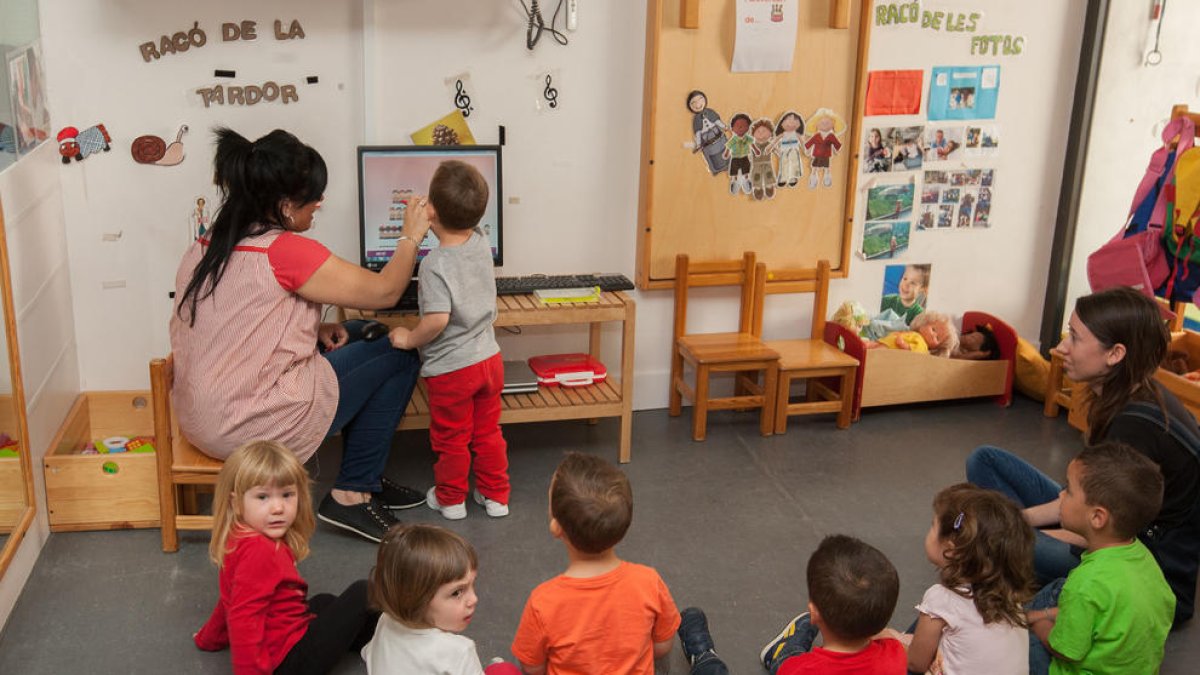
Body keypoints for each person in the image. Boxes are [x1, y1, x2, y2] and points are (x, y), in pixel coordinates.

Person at [170, 128, 429, 544]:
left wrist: (315, 328)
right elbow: (386, 291)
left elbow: (238, 321)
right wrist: (411, 234)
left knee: (360, 331)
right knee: (397, 349)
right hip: (250, 423)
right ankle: (352, 492)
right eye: (314, 198)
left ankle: (367, 478)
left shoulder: (209, 242)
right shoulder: (285, 251)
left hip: (201, 416)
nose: (320, 204)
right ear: (287, 206)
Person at [967, 286, 1200, 627]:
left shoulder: (1134, 427)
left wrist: (1010, 527)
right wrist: (1018, 519)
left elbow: (1097, 532)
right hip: (1099, 519)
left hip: (1142, 571)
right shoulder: (1129, 393)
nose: (1061, 347)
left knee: (989, 538)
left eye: (1075, 338)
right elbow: (1080, 497)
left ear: (1115, 353)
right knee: (984, 460)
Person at [387, 161, 509, 521]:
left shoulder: (434, 264)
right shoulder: (482, 242)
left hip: (454, 370)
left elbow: (437, 320)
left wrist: (409, 338)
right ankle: (495, 495)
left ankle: (451, 499)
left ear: (432, 211)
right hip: (490, 360)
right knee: (488, 432)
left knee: (451, 438)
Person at [194, 441, 380, 674]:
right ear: (236, 503)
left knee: (323, 601)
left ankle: (378, 636)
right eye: (263, 497)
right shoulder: (262, 552)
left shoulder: (238, 538)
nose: (278, 508)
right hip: (290, 662)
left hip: (284, 639)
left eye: (287, 494)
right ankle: (402, 633)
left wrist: (209, 639)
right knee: (363, 592)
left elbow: (229, 599)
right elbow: (244, 619)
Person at [511, 452, 680, 674]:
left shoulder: (542, 602)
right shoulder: (649, 581)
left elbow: (533, 668)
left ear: (556, 528)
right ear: (623, 529)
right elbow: (662, 646)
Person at [1026, 443, 1175, 675]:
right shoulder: (1143, 557)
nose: (1060, 494)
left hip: (1075, 664)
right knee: (1061, 589)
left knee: (1016, 641)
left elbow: (1065, 650)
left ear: (1097, 517)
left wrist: (1040, 624)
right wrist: (1045, 613)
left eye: (1069, 490)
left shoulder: (1086, 584)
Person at [901, 484, 1034, 675]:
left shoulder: (941, 598)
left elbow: (915, 664)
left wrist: (890, 641)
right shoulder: (1011, 596)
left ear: (951, 550)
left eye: (933, 525)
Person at [361, 523, 520, 674]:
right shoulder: (458, 651)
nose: (474, 599)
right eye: (457, 592)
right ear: (416, 598)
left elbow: (368, 653)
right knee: (505, 670)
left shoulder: (386, 619)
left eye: (472, 584)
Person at [754, 534, 907, 674]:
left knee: (786, 661)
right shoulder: (895, 653)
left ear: (814, 613)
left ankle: (783, 651)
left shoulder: (798, 670)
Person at [869, 310, 959, 357]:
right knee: (872, 345)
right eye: (933, 329)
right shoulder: (914, 334)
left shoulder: (922, 345)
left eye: (938, 338)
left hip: (890, 348)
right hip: (886, 342)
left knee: (875, 351)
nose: (933, 335)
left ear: (936, 348)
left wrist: (902, 343)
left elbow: (912, 351)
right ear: (924, 323)